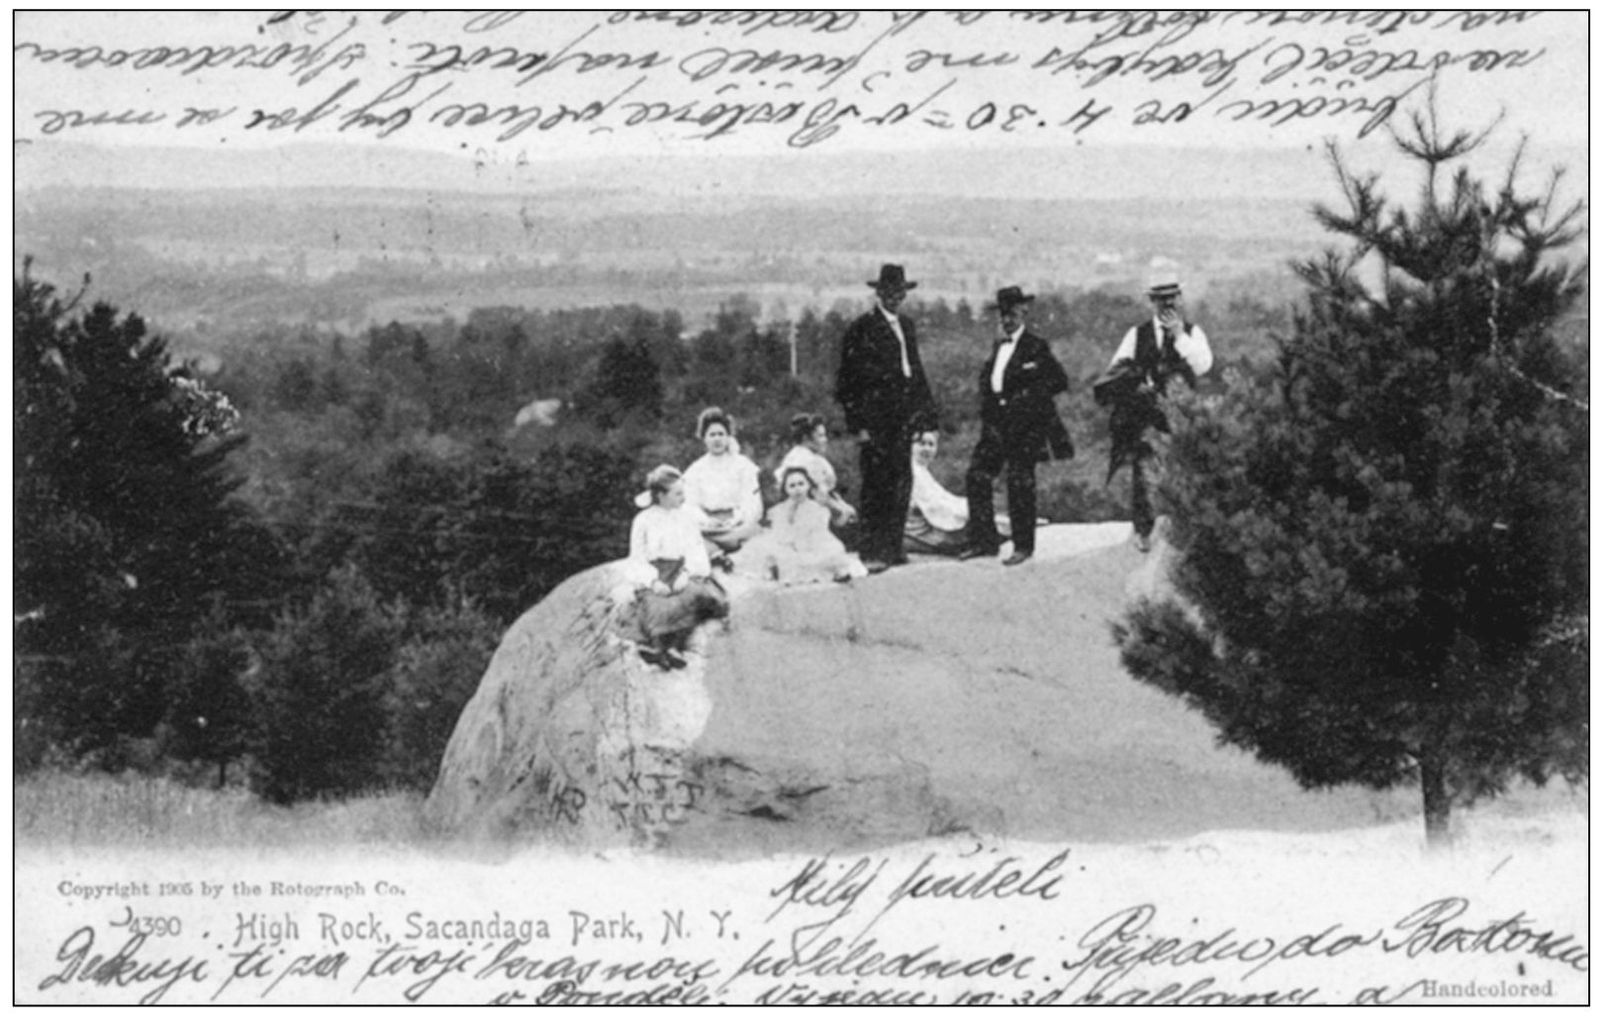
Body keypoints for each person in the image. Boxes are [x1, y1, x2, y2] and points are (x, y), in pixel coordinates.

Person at [1093, 266, 1213, 552]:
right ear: (1152, 302)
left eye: (1172, 297)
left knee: (1184, 469)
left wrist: (1179, 336)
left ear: (1180, 298)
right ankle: (1143, 530)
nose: (1167, 304)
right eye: (1161, 299)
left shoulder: (1193, 333)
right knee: (1143, 469)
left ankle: (1182, 530)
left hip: (1181, 415)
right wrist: (1136, 382)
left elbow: (1203, 365)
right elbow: (1114, 372)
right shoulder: (1137, 335)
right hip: (1147, 415)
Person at [833, 263, 936, 574]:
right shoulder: (861, 329)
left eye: (899, 292)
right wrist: (859, 426)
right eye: (889, 292)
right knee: (876, 484)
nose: (895, 297)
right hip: (876, 419)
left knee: (901, 480)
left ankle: (893, 546)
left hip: (903, 416)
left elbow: (915, 372)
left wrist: (925, 416)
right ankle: (871, 550)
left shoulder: (907, 325)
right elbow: (847, 383)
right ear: (878, 293)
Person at [960, 286, 1074, 566]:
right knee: (977, 475)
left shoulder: (1036, 346)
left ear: (1023, 312)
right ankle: (984, 541)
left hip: (1026, 427)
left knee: (1020, 481)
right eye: (1003, 314)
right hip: (997, 425)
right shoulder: (998, 346)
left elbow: (1059, 381)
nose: (1007, 319)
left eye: (1012, 313)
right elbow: (989, 385)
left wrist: (1028, 398)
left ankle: (1023, 546)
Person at [625, 465, 729, 670]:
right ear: (661, 495)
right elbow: (636, 557)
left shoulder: (686, 517)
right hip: (656, 572)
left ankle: (669, 647)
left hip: (684, 569)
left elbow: (696, 550)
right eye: (678, 493)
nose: (683, 497)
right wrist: (652, 580)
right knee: (655, 601)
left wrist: (687, 573)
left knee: (692, 594)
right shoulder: (643, 520)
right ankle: (662, 649)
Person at [736, 466, 865, 585]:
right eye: (792, 486)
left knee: (829, 554)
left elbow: (820, 530)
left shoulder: (817, 508)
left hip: (814, 544)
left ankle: (830, 571)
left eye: (801, 484)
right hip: (790, 544)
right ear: (786, 489)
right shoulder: (780, 510)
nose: (797, 489)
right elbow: (780, 533)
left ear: (808, 485)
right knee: (768, 550)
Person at [906, 428, 1010, 556]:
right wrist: (967, 510)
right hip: (917, 529)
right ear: (910, 446)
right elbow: (935, 506)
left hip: (927, 520)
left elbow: (943, 497)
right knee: (979, 526)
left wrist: (969, 506)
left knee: (988, 519)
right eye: (921, 444)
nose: (926, 449)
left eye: (931, 444)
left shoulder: (921, 469)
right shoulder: (913, 471)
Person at [681, 406, 763, 563]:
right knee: (691, 541)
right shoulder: (696, 470)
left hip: (738, 525)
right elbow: (689, 505)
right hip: (708, 528)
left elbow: (752, 502)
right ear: (704, 438)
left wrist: (737, 519)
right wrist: (707, 521)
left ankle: (730, 556)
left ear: (728, 437)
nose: (717, 439)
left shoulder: (743, 465)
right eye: (712, 435)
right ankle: (716, 555)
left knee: (754, 540)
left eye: (721, 434)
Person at [775, 412, 856, 526]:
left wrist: (842, 504)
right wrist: (840, 509)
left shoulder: (812, 457)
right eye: (820, 436)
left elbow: (826, 491)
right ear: (806, 438)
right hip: (804, 518)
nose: (825, 440)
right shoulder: (802, 459)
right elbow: (817, 495)